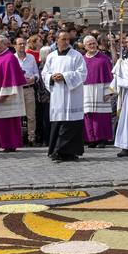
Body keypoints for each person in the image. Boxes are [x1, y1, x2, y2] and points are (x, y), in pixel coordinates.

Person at [42, 30, 87, 161]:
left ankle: (66, 152)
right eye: (63, 39)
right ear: (57, 40)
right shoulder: (51, 56)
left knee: (71, 124)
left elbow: (82, 73)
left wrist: (65, 76)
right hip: (57, 94)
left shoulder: (76, 56)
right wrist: (51, 77)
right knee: (58, 122)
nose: (67, 42)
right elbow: (45, 73)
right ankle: (56, 151)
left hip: (72, 95)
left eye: (68, 39)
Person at [81, 35, 115, 148]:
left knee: (101, 116)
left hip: (101, 89)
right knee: (88, 115)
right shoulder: (82, 59)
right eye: (89, 44)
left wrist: (109, 92)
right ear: (85, 46)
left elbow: (110, 77)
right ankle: (91, 139)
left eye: (93, 43)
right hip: (86, 90)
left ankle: (101, 139)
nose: (92, 46)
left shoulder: (104, 58)